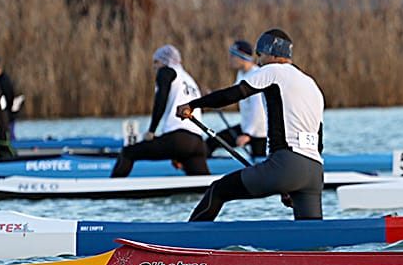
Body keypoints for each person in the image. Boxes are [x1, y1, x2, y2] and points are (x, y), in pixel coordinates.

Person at [179, 28, 325, 221]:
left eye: (260, 54)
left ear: (272, 54)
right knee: (312, 236)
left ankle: (185, 245)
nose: (258, 60)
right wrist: (288, 183)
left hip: (285, 166)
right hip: (314, 173)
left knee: (218, 190)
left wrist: (193, 104)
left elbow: (232, 94)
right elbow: (319, 140)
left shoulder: (273, 70)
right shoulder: (311, 85)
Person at [110, 45, 208, 178]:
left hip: (178, 139)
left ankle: (110, 193)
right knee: (205, 188)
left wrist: (151, 131)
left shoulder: (166, 72)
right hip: (197, 142)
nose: (154, 67)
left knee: (128, 152)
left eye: (156, 62)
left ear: (165, 61)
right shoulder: (189, 79)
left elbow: (160, 100)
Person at [211, 39, 268, 159]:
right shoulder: (242, 74)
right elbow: (234, 95)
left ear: (241, 57)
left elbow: (258, 109)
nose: (229, 59)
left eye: (232, 56)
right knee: (212, 142)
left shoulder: (255, 76)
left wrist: (248, 134)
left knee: (259, 161)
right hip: (246, 127)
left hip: (259, 132)